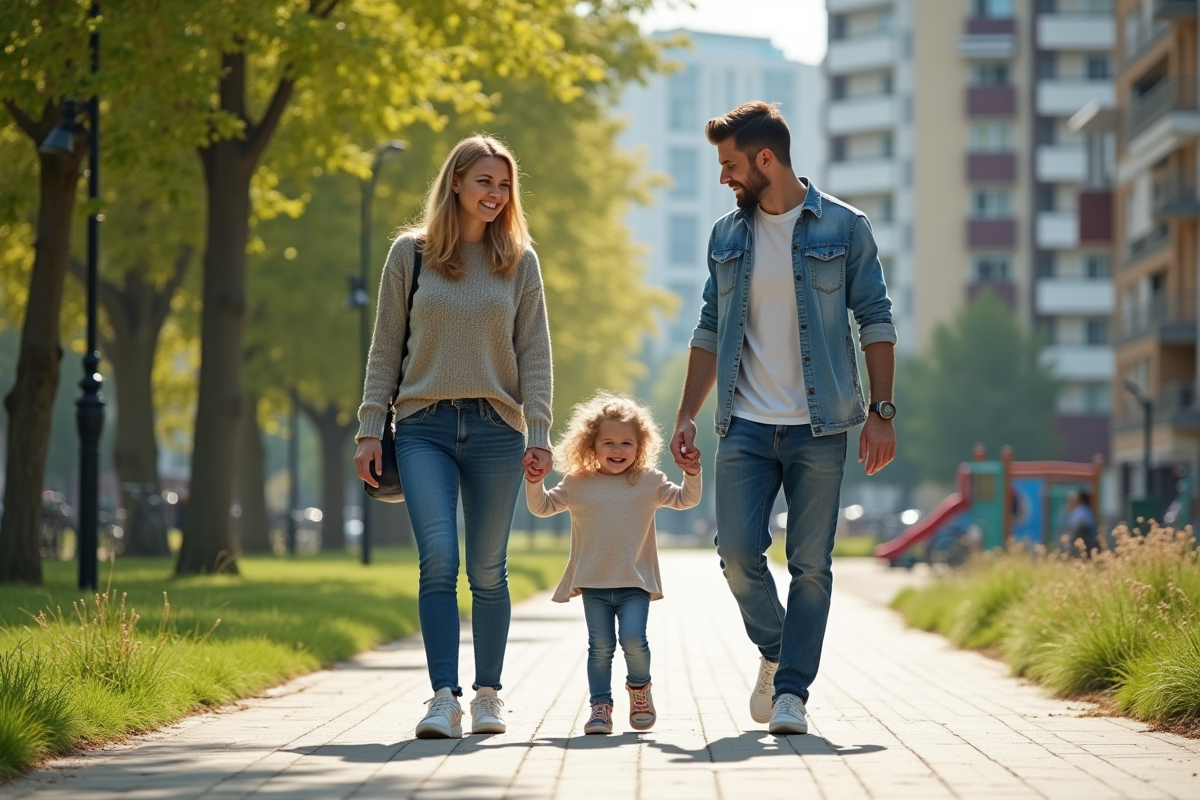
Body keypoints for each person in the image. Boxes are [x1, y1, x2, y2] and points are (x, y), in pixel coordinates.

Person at [669, 102, 897, 736]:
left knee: (811, 564)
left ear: (765, 159)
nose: (724, 178)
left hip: (820, 425)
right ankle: (778, 650)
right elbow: (710, 328)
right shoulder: (727, 235)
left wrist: (881, 411)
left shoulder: (846, 230)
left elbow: (875, 318)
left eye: (731, 164)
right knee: (737, 553)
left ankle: (791, 691)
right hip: (742, 423)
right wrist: (687, 413)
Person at [354, 136, 553, 739]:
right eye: (484, 182)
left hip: (497, 429)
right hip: (422, 427)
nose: (495, 195)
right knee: (438, 559)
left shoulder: (519, 261)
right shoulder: (408, 255)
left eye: (503, 185)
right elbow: (386, 347)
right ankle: (443, 697)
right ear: (456, 183)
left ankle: (489, 695)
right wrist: (369, 429)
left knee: (488, 569)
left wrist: (539, 431)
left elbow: (535, 353)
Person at [526, 393, 701, 735]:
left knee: (634, 639)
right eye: (608, 442)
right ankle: (600, 708)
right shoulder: (578, 482)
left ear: (640, 446)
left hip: (635, 582)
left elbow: (686, 499)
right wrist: (534, 481)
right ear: (592, 445)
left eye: (626, 443)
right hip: (594, 583)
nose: (617, 449)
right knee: (600, 647)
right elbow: (542, 508)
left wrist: (691, 472)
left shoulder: (648, 481)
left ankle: (639, 689)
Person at [1061, 489, 1099, 555]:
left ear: (1079, 500)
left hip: (1084, 547)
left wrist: (1073, 545)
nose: (1070, 501)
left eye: (1073, 499)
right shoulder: (1084, 510)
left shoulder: (1082, 511)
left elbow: (1079, 526)